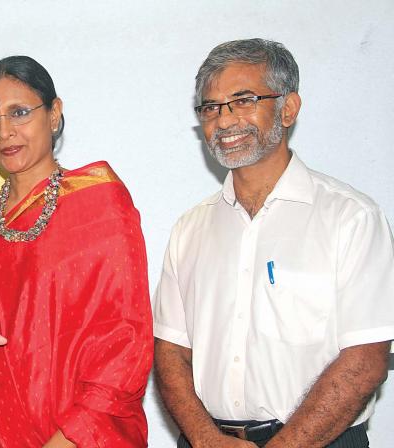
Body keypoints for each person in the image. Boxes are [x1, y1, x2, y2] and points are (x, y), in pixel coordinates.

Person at [153, 38, 394, 448]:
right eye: (210, 107)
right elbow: (170, 354)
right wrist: (205, 439)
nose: (225, 120)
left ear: (290, 107)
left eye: (244, 100)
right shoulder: (189, 229)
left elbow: (366, 361)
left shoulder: (351, 217)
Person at [0, 55, 153, 447]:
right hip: (1, 427)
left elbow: (127, 337)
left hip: (88, 432)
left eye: (19, 113)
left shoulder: (100, 201)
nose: (4, 132)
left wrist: (72, 435)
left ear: (54, 114)